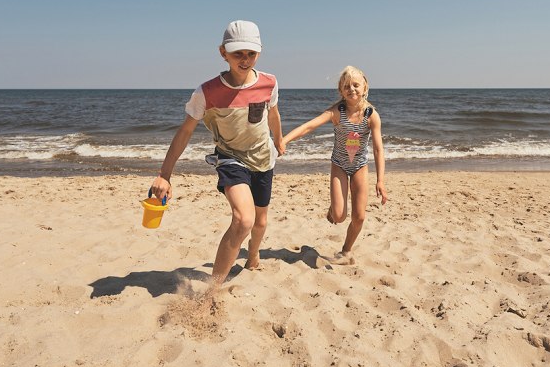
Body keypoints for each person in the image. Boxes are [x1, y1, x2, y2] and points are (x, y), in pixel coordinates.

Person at [149, 20, 284, 288]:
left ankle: (253, 254)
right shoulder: (207, 92)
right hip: (231, 158)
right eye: (237, 54)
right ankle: (214, 287)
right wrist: (165, 175)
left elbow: (273, 114)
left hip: (263, 158)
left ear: (259, 52)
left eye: (251, 53)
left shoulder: (269, 83)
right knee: (243, 219)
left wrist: (278, 140)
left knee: (260, 221)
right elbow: (185, 132)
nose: (244, 60)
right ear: (223, 52)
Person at [282, 66, 388, 264]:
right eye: (346, 86)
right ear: (341, 91)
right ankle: (333, 209)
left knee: (359, 217)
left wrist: (380, 180)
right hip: (339, 165)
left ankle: (346, 252)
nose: (352, 89)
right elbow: (309, 126)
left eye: (356, 85)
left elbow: (378, 149)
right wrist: (284, 140)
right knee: (339, 216)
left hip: (360, 167)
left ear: (365, 87)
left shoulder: (371, 115)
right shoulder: (336, 112)